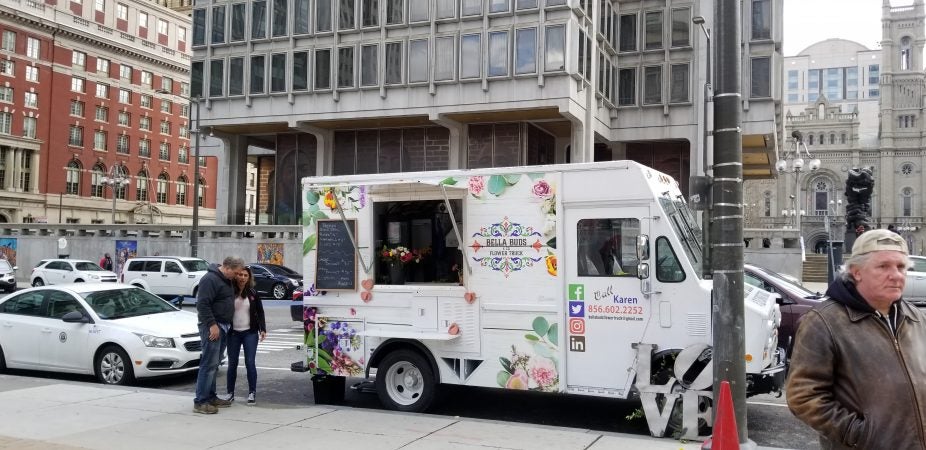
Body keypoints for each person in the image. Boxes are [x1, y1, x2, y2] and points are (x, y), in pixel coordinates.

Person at [786, 229, 926, 449]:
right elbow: (803, 397)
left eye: (901, 267)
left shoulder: (916, 317)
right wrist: (860, 434)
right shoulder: (824, 322)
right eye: (883, 266)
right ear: (856, 272)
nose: (897, 275)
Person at [193, 256, 245, 414]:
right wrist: (212, 325)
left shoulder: (225, 279)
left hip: (223, 325)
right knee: (208, 364)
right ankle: (200, 401)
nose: (236, 276)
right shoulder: (210, 279)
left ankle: (210, 396)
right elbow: (202, 304)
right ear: (227, 267)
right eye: (235, 273)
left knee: (215, 364)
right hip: (213, 326)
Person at [225, 266, 267, 406]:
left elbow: (260, 312)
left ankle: (252, 392)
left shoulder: (253, 293)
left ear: (249, 278)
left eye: (245, 275)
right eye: (240, 275)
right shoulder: (230, 291)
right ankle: (230, 393)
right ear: (236, 276)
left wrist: (263, 329)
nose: (242, 277)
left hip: (250, 333)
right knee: (232, 364)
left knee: (250, 363)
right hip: (233, 334)